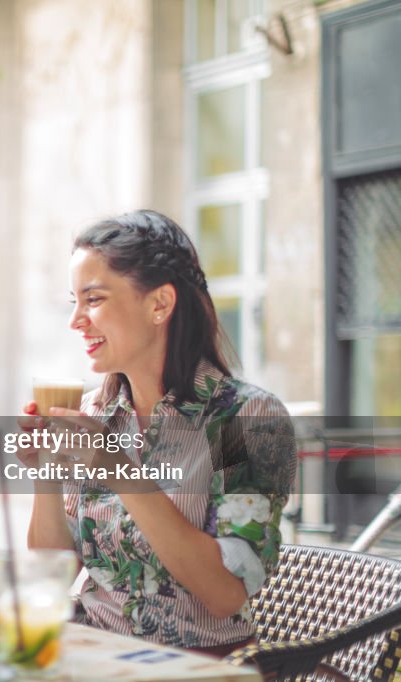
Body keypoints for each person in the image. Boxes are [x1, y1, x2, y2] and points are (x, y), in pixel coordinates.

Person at [23, 210, 296, 655]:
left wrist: (118, 468)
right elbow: (50, 577)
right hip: (89, 653)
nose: (76, 320)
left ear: (159, 305)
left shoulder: (246, 418)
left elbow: (225, 593)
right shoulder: (95, 411)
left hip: (196, 665)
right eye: (73, 301)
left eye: (92, 299)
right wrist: (46, 469)